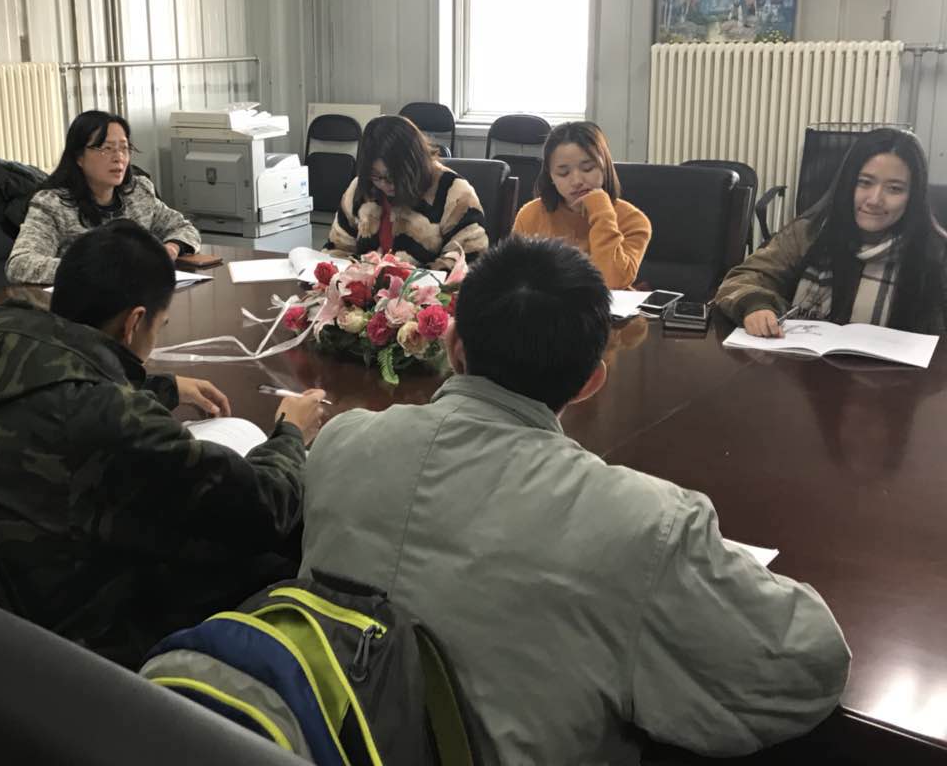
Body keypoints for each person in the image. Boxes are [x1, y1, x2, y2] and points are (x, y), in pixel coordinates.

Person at [300, 236, 850, 764]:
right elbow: (809, 663)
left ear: (453, 346)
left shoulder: (340, 442)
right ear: (591, 381)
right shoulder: (641, 524)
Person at [0, 219, 327, 668]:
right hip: (63, 648)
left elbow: (57, 387)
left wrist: (161, 386)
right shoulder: (114, 417)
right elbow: (265, 507)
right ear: (134, 322)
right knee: (278, 556)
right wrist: (290, 433)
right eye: (160, 326)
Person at [716, 127, 947, 337]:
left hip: (899, 371)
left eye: (894, 189)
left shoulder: (938, 254)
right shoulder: (809, 232)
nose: (875, 200)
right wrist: (755, 306)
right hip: (802, 366)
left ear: (913, 197)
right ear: (847, 184)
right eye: (864, 183)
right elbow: (742, 279)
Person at [6, 110, 202, 284]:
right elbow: (19, 264)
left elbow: (184, 228)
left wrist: (171, 248)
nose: (119, 158)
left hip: (136, 297)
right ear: (79, 157)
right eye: (107, 149)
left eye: (124, 148)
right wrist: (98, 269)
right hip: (82, 307)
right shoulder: (53, 204)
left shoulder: (139, 192)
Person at [326, 115, 488, 271]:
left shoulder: (453, 193)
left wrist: (409, 282)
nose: (384, 184)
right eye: (376, 176)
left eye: (393, 176)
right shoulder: (362, 187)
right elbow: (337, 250)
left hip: (430, 288)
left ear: (414, 164)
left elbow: (468, 263)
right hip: (366, 288)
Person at [511, 120, 651, 289]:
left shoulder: (633, 220)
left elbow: (612, 282)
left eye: (588, 169)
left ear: (605, 167)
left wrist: (602, 214)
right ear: (551, 177)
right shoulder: (531, 214)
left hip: (606, 306)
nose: (577, 181)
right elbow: (515, 279)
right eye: (563, 173)